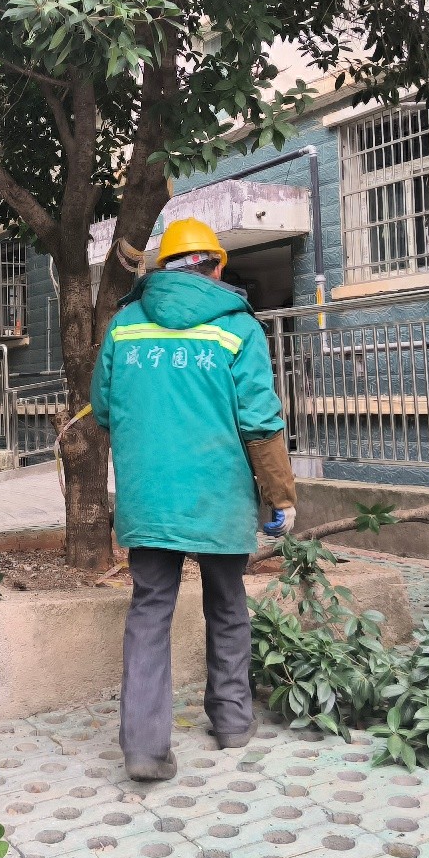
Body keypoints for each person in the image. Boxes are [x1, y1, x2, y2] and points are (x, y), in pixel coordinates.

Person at [89, 217, 297, 782]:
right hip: (218, 495)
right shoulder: (238, 328)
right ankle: (231, 721)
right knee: (227, 603)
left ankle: (144, 748)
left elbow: (102, 409)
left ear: (165, 270)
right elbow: (260, 422)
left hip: (149, 496)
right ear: (216, 267)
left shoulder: (124, 325)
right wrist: (280, 495)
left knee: (149, 610)